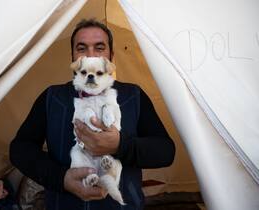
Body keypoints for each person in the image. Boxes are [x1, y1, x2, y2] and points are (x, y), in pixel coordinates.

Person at [10, 19, 175, 210]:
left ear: (111, 56)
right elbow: (19, 149)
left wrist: (121, 145)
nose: (90, 55)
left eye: (99, 48)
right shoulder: (52, 97)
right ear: (72, 57)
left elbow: (166, 151)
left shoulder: (134, 96)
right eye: (81, 48)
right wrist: (61, 178)